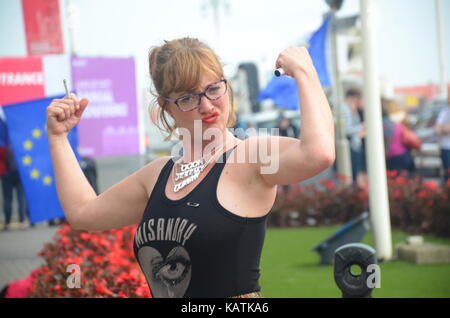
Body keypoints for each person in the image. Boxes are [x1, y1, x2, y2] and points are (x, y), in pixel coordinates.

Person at [45, 37, 335, 298]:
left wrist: (305, 73)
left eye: (213, 89)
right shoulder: (157, 174)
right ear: (166, 107)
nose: (207, 106)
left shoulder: (251, 155)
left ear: (227, 86)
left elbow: (318, 154)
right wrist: (58, 138)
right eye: (187, 98)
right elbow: (83, 213)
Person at [0, 117, 30, 231]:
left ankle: (7, 222)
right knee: (21, 197)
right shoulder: (20, 141)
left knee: (7, 198)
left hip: (7, 173)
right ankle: (22, 221)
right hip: (20, 172)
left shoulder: (3, 143)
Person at [382, 99, 421, 175]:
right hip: (403, 154)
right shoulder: (401, 120)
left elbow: (387, 140)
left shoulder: (387, 123)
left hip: (392, 156)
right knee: (403, 180)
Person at [342, 88, 365, 184]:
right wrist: (362, 127)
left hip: (355, 145)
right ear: (352, 98)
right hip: (351, 146)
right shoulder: (345, 108)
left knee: (355, 173)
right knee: (353, 174)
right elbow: (346, 129)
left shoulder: (351, 108)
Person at [435, 92, 450, 183]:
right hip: (445, 148)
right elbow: (437, 129)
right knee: (447, 175)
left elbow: (446, 129)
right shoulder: (445, 111)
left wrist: (443, 128)